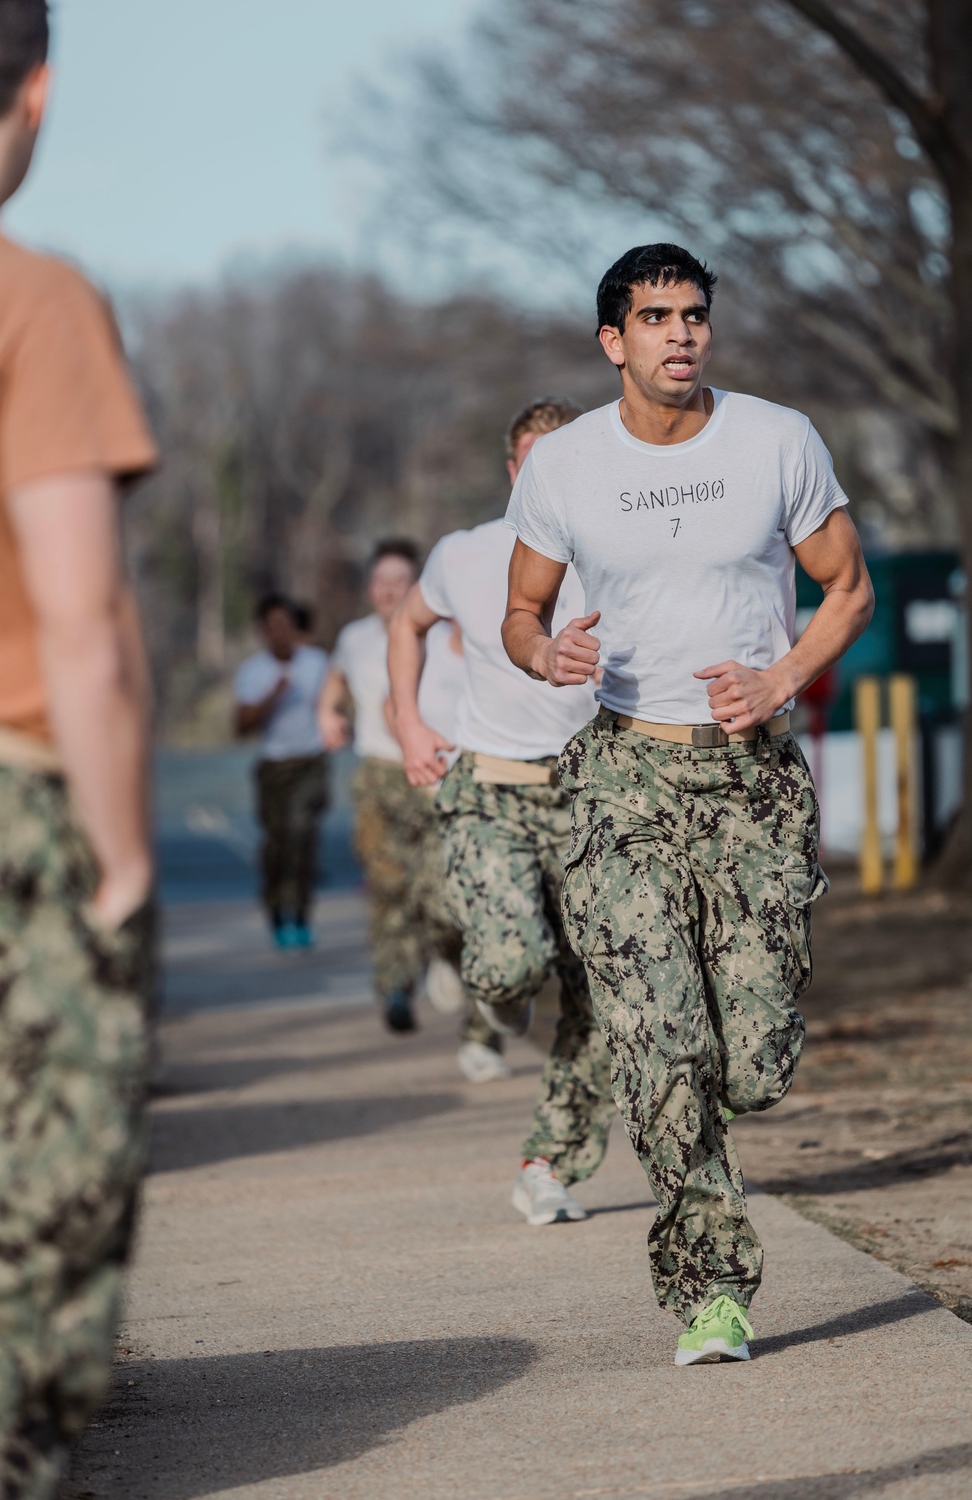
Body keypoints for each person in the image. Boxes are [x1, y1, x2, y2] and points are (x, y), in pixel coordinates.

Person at [502, 244, 874, 1361]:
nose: (681, 333)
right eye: (656, 316)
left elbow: (844, 586)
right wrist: (543, 656)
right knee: (657, 1041)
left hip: (750, 777)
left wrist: (779, 680)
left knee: (749, 1061)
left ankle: (744, 1069)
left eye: (694, 314)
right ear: (612, 340)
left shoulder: (776, 438)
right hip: (621, 774)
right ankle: (711, 1285)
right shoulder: (563, 466)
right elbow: (520, 615)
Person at [0, 1, 160, 1490]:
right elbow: (81, 623)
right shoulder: (27, 302)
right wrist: (123, 867)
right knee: (35, 1227)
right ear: (36, 89)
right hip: (5, 806)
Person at [389, 399, 618, 1225]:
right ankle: (499, 992)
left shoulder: (621, 544)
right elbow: (408, 626)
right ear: (514, 470)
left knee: (602, 990)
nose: (549, 472)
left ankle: (548, 1163)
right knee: (510, 961)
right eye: (533, 459)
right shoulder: (467, 553)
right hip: (491, 790)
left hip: (597, 793)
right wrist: (409, 721)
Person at [318, 540, 465, 1034]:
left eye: (400, 582)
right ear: (369, 588)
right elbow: (336, 680)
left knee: (438, 887)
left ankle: (445, 955)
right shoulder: (354, 636)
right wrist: (327, 712)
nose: (388, 591)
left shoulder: (444, 635)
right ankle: (396, 984)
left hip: (435, 773)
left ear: (417, 586)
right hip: (380, 773)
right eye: (381, 582)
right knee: (387, 883)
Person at [234, 594, 329, 949]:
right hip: (274, 768)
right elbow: (240, 726)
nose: (281, 633)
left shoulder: (317, 662)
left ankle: (302, 915)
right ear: (262, 631)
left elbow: (335, 700)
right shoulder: (253, 672)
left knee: (303, 836)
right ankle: (277, 912)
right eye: (273, 626)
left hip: (310, 763)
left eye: (287, 625)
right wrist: (271, 696)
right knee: (278, 844)